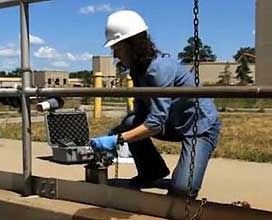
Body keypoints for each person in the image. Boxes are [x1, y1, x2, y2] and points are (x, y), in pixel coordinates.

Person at [90, 10, 221, 198]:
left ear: (132, 45)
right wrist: (115, 133)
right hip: (173, 122)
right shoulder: (137, 71)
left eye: (117, 49)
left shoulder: (158, 69)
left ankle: (180, 181)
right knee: (129, 122)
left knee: (182, 190)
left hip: (199, 126)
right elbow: (142, 112)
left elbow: (155, 124)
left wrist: (118, 140)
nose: (116, 56)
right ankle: (151, 172)